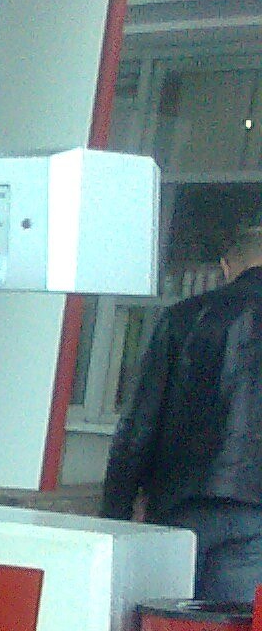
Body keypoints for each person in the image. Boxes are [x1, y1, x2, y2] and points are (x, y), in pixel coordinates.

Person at [101, 223, 262, 604]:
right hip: (256, 509)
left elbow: (140, 423)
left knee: (164, 629)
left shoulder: (183, 317)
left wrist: (115, 512)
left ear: (226, 267)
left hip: (179, 502)